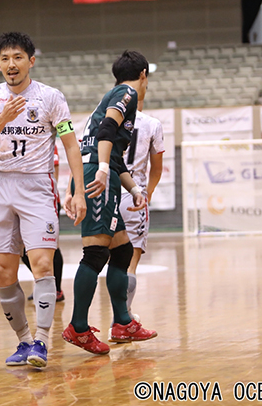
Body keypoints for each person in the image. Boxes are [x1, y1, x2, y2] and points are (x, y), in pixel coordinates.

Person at [0, 32, 86, 368]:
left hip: (38, 186)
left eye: (18, 57)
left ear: (31, 61)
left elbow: (70, 145)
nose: (12, 64)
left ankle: (42, 341)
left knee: (42, 265)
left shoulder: (50, 97)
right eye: (5, 59)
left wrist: (78, 191)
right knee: (3, 271)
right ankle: (23, 341)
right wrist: (3, 118)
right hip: (1, 186)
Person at [62, 50, 157, 356]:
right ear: (143, 74)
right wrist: (102, 170)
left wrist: (134, 188)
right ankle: (78, 328)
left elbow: (110, 153)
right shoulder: (127, 93)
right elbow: (104, 133)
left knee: (123, 249)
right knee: (95, 253)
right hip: (98, 175)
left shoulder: (112, 95)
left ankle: (123, 323)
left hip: (101, 172)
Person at [109, 98, 164, 341]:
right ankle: (121, 321)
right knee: (129, 264)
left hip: (107, 191)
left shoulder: (103, 116)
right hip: (132, 194)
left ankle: (120, 317)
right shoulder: (151, 123)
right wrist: (146, 194)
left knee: (109, 261)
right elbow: (157, 169)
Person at [23, 146, 65, 302]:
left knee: (51, 246)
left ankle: (57, 289)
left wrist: (49, 195)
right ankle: (43, 283)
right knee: (22, 249)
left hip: (45, 201)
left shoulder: (47, 142)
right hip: (23, 201)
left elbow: (55, 170)